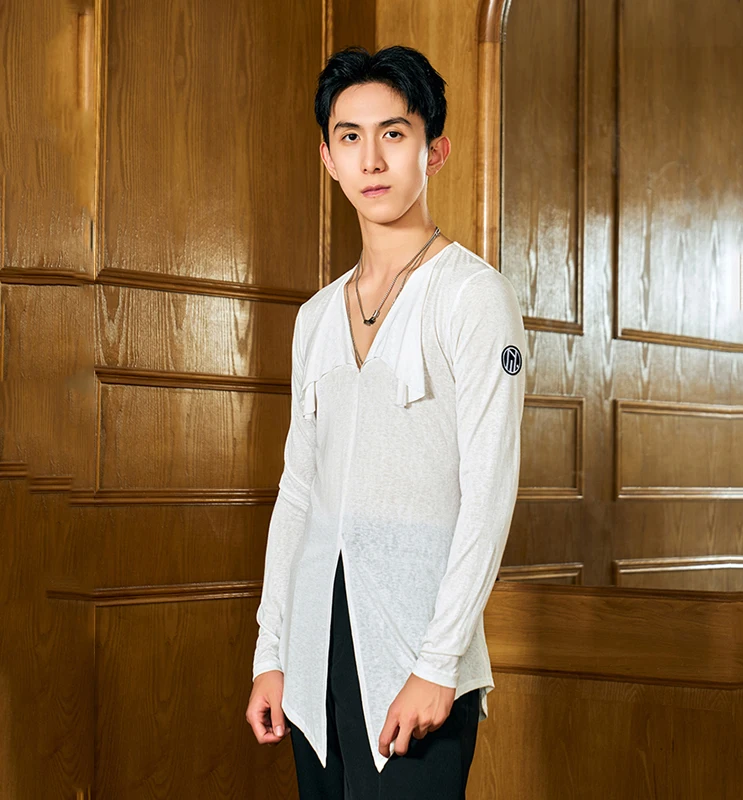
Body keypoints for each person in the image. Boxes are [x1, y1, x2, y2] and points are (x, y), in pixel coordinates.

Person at [245, 44, 526, 799]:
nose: (371, 158)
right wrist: (272, 652)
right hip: (312, 656)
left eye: (393, 134)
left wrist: (438, 663)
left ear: (434, 151)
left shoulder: (473, 297)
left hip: (416, 650)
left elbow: (489, 492)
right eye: (350, 137)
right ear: (328, 159)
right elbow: (297, 494)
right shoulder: (313, 318)